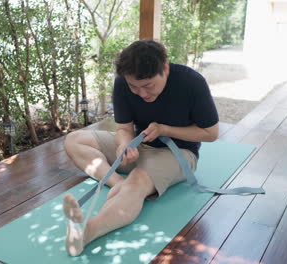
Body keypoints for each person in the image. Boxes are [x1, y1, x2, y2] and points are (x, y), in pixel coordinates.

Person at [62, 39, 219, 256]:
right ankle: (117, 184)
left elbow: (211, 134)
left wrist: (165, 129)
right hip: (140, 145)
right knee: (74, 140)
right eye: (134, 87)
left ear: (164, 67)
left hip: (178, 152)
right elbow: (124, 129)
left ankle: (88, 231)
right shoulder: (122, 82)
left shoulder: (191, 82)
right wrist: (123, 146)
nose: (142, 94)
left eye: (148, 86)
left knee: (138, 180)